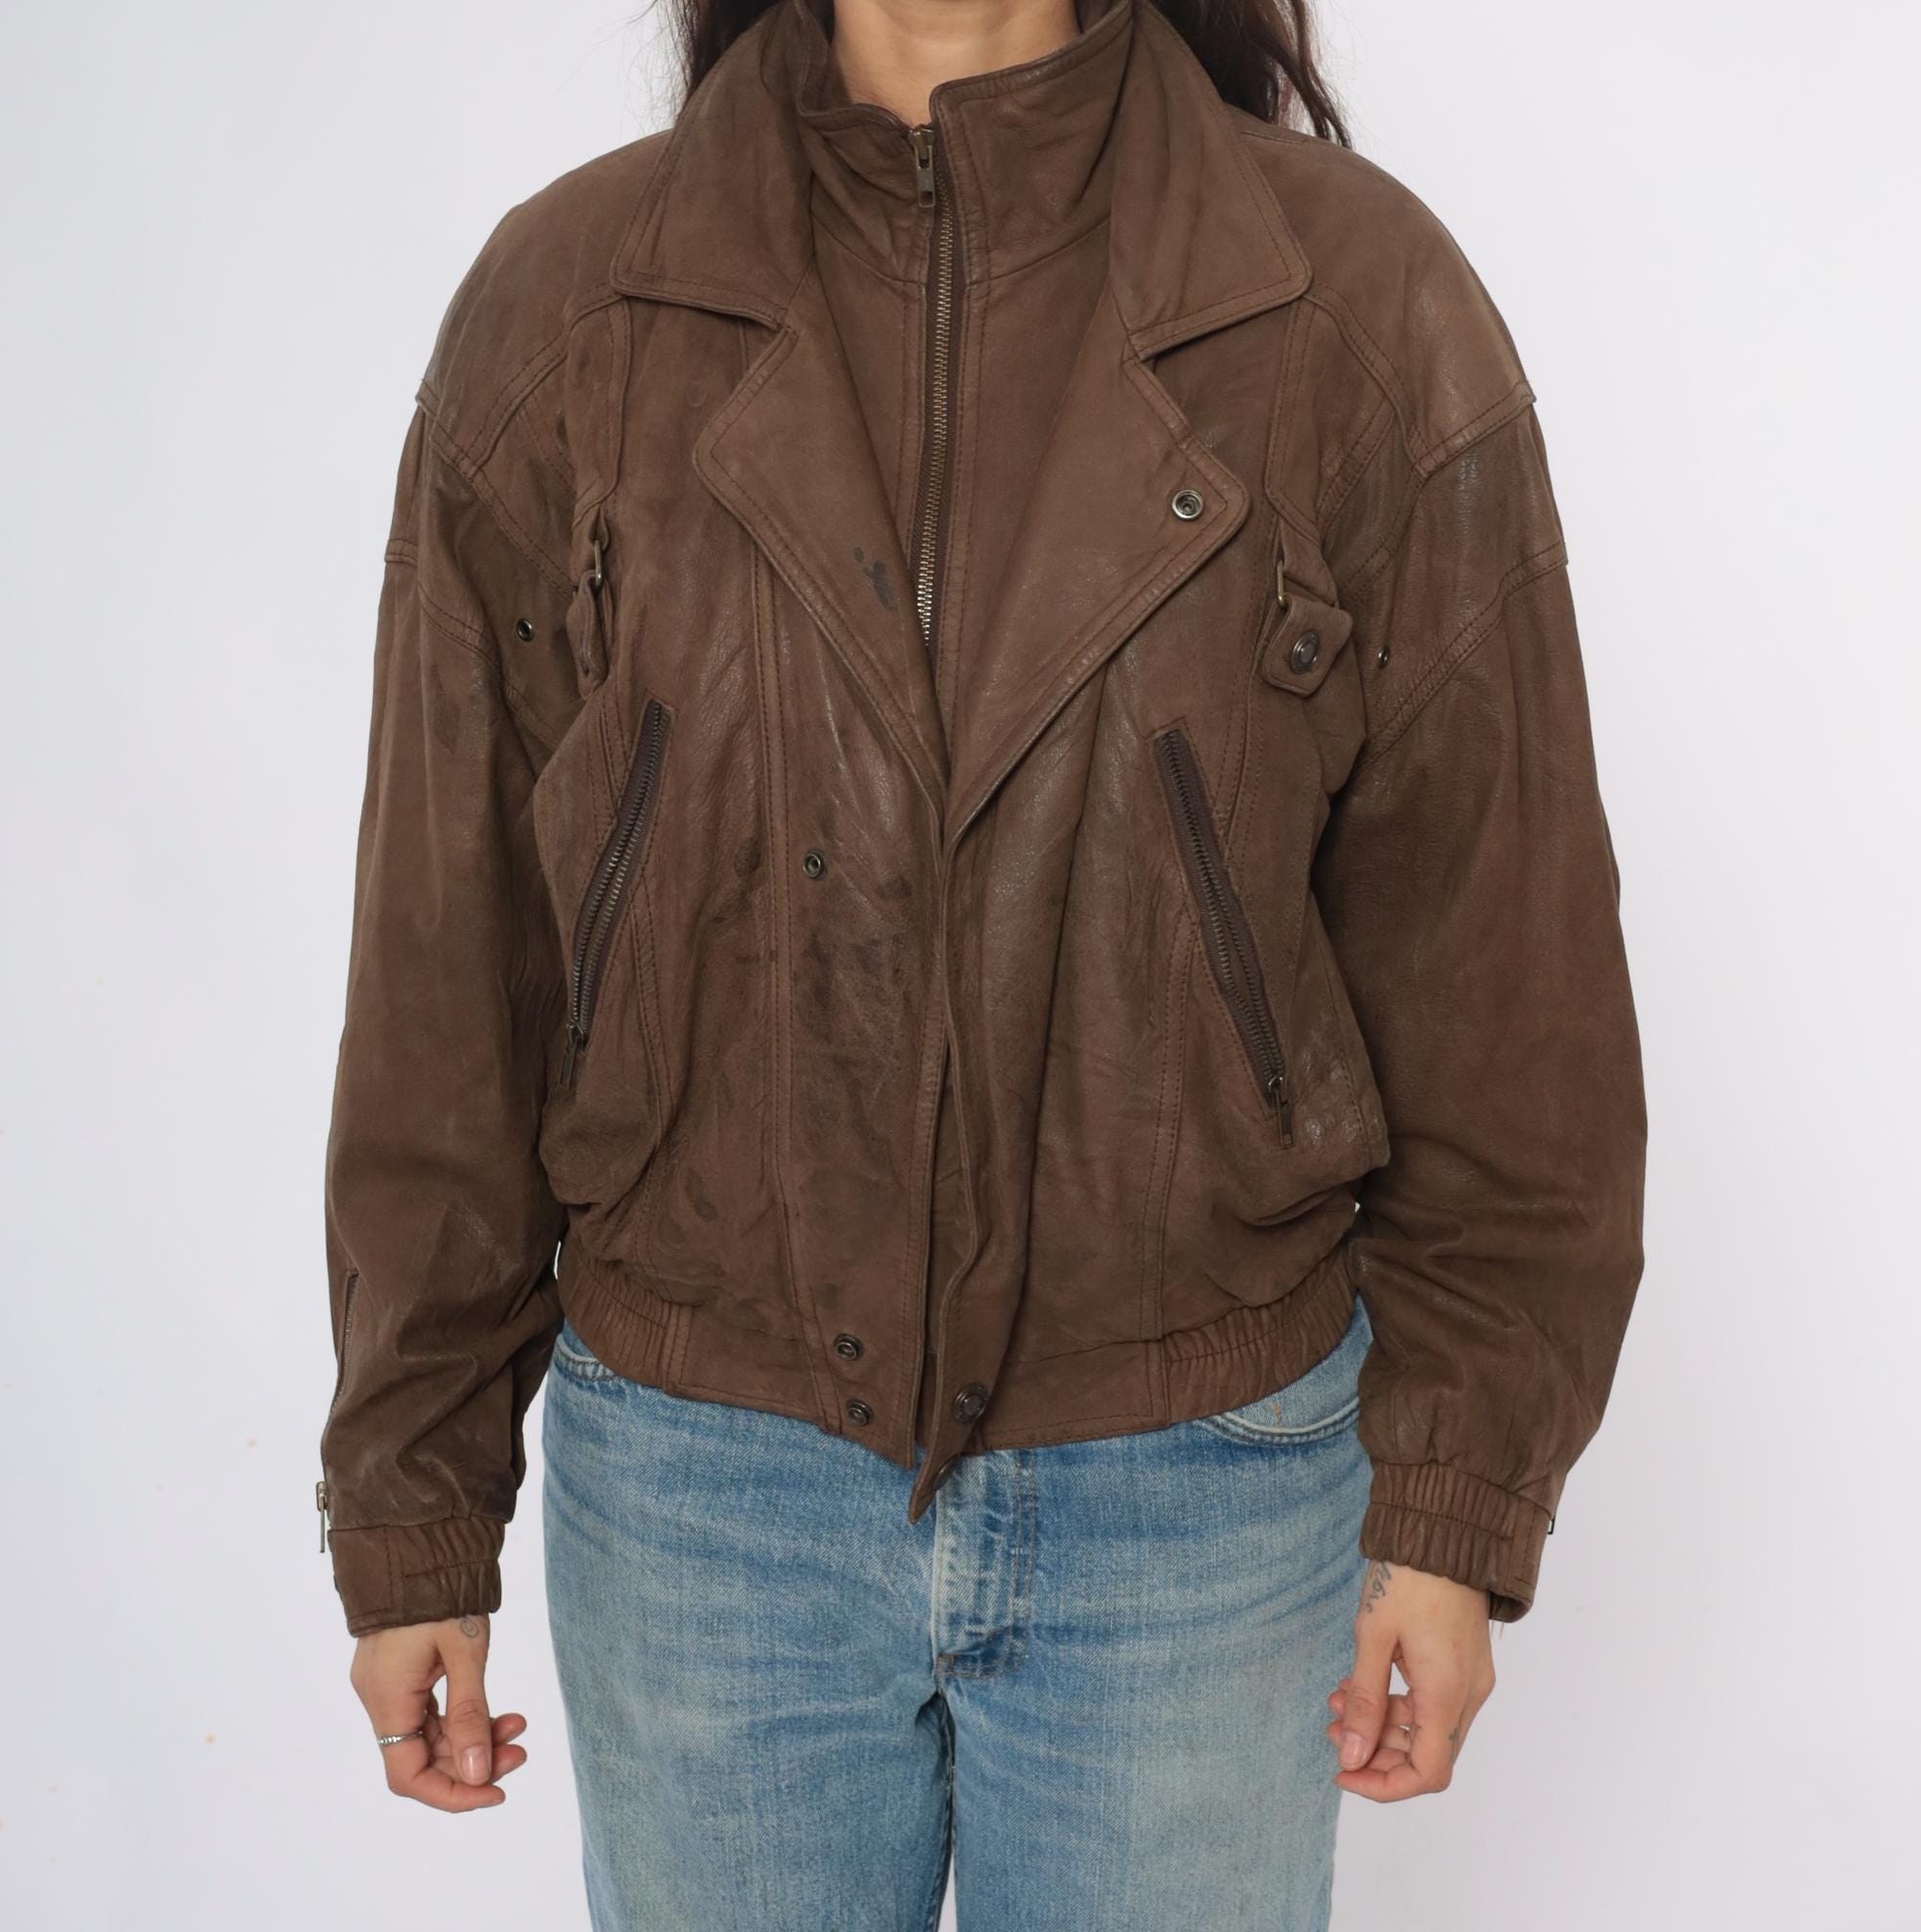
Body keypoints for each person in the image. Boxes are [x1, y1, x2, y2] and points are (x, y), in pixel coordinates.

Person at [317, 0, 1647, 1921]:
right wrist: (414, 1502)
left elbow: (1502, 966)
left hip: (1197, 1486)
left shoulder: (1351, 308)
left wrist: (1457, 1499)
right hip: (707, 1487)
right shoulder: (572, 308)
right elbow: (450, 957)